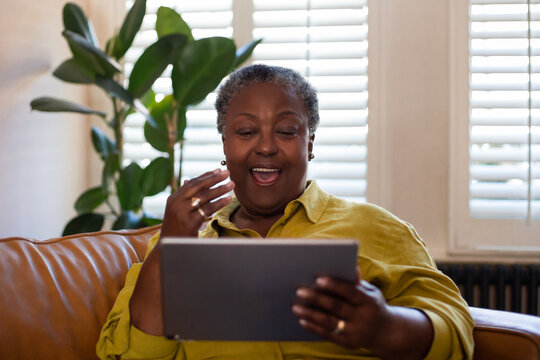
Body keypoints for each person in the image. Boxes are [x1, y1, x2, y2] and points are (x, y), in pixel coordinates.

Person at [97, 64, 474, 360]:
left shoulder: (378, 228)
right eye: (246, 132)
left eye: (286, 131)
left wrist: (385, 327)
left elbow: (455, 330)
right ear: (225, 145)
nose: (265, 147)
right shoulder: (181, 244)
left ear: (309, 144)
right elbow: (132, 354)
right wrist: (171, 248)